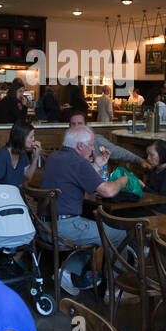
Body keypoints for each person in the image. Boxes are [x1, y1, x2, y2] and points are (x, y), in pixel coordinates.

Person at [39, 126, 125, 294]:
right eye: (91, 145)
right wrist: (123, 181)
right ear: (80, 146)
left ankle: (66, 272)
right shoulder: (79, 163)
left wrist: (97, 164)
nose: (93, 148)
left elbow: (76, 176)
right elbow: (108, 191)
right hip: (64, 228)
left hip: (44, 227)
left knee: (91, 230)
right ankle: (115, 291)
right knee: (119, 235)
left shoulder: (54, 157)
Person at [69, 112, 141, 164]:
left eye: (80, 124)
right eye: (73, 124)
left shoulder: (96, 140)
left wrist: (139, 160)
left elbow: (117, 151)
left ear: (86, 126)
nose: (76, 127)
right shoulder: (68, 145)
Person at [0, 121, 42, 187]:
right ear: (20, 138)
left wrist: (35, 158)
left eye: (33, 136)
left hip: (16, 193)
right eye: (31, 137)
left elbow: (28, 176)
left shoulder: (22, 152)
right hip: (4, 195)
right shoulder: (2, 156)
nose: (33, 139)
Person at [137, 139, 166, 215]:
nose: (148, 158)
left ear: (161, 154)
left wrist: (143, 186)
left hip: (159, 212)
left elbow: (163, 199)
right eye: (147, 155)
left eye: (151, 155)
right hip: (148, 207)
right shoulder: (155, 170)